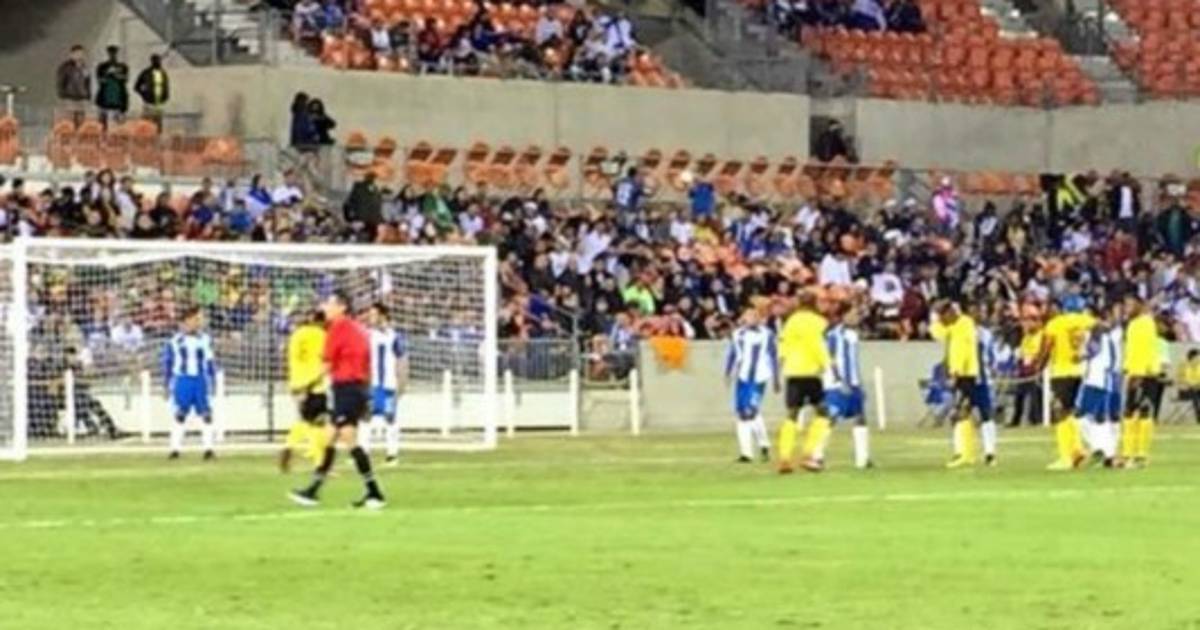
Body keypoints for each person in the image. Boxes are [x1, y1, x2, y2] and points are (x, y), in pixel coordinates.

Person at [289, 291, 386, 509]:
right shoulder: (358, 330)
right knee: (329, 439)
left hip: (347, 389)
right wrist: (367, 394)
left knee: (349, 440)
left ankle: (374, 492)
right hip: (356, 389)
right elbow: (366, 364)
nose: (325, 307)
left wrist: (305, 386)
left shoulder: (338, 329)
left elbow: (326, 365)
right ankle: (312, 491)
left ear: (342, 307)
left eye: (329, 303)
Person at [930, 301, 994, 468]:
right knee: (968, 412)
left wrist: (955, 372)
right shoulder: (957, 325)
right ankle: (975, 453)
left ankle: (967, 454)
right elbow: (938, 333)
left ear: (950, 313)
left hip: (968, 375)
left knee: (967, 412)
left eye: (943, 316)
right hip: (971, 375)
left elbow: (961, 351)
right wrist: (935, 317)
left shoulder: (964, 325)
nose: (942, 320)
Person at [809, 305, 871, 471]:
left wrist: (858, 383)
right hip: (838, 384)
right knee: (831, 417)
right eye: (853, 314)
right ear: (843, 316)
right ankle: (816, 456)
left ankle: (863, 459)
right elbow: (830, 359)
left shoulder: (853, 334)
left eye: (857, 314)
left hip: (853, 383)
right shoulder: (834, 335)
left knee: (860, 417)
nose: (856, 317)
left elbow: (852, 362)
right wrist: (839, 380)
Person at [775, 291, 831, 474]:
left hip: (792, 372)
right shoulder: (819, 322)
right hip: (811, 372)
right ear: (815, 303)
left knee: (792, 413)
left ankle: (784, 458)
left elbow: (782, 347)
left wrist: (779, 369)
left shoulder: (791, 322)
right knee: (823, 412)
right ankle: (808, 454)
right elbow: (819, 345)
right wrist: (828, 365)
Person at [1040, 295, 1096, 470]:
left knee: (1060, 412)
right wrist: (1087, 352)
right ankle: (1077, 450)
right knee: (1069, 411)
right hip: (1079, 371)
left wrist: (1039, 365)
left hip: (1061, 372)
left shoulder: (1056, 324)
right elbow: (1101, 330)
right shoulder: (1085, 321)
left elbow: (1047, 346)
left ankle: (1066, 457)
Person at [162, 307, 217, 460]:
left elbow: (210, 362)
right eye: (195, 319)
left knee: (206, 414)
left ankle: (208, 449)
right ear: (186, 321)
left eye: (199, 320)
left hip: (200, 380)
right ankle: (175, 449)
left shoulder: (205, 339)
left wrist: (213, 381)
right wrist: (166, 385)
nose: (198, 322)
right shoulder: (174, 341)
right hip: (183, 380)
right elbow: (168, 363)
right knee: (180, 414)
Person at [723, 308, 777, 463]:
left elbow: (773, 355)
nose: (750, 319)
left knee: (750, 412)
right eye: (747, 316)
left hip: (759, 378)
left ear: (758, 318)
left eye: (753, 316)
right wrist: (727, 372)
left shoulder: (767, 334)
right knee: (743, 414)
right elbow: (733, 354)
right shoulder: (737, 334)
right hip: (743, 378)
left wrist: (776, 378)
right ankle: (748, 452)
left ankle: (761, 446)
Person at [280, 310, 331, 472]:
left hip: (296, 383)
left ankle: (289, 446)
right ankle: (319, 464)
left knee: (305, 419)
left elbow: (288, 357)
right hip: (313, 384)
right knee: (317, 423)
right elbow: (326, 359)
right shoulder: (321, 335)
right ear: (321, 321)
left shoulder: (296, 335)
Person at [1073, 305, 1121, 467]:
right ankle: (1109, 455)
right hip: (1108, 379)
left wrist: (1080, 355)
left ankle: (1098, 448)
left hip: (1095, 379)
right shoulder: (1110, 333)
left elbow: (1091, 351)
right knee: (1100, 419)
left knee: (1080, 416)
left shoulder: (1096, 331)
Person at [360, 302, 408, 466]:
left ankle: (392, 454)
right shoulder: (367, 335)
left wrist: (402, 383)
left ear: (383, 315)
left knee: (390, 417)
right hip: (372, 384)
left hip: (388, 384)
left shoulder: (394, 336)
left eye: (373, 314)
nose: (370, 317)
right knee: (366, 416)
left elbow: (402, 360)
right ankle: (363, 453)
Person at [1121, 294, 1161, 468]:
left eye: (1130, 305)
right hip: (1140, 372)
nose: (1127, 309)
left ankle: (1136, 454)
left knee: (1135, 412)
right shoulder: (1137, 323)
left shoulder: (1143, 323)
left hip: (1142, 374)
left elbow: (1144, 350)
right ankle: (1135, 454)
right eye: (1126, 305)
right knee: (1136, 412)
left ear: (1139, 305)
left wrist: (1137, 374)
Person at [94, 46, 130, 127]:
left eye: (114, 53)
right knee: (103, 124)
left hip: (119, 99)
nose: (112, 55)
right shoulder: (102, 66)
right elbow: (100, 80)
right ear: (108, 54)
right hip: (104, 99)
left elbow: (125, 79)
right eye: (110, 53)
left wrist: (115, 75)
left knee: (119, 124)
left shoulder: (123, 66)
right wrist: (108, 74)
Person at [56, 45, 91, 125]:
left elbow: (87, 82)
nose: (80, 56)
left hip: (82, 99)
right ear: (72, 54)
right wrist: (62, 95)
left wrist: (88, 95)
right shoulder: (65, 67)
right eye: (77, 53)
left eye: (82, 54)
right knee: (69, 122)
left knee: (81, 122)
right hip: (69, 98)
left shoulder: (85, 68)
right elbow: (60, 82)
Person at [134, 54, 170, 130]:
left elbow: (166, 86)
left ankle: (157, 135)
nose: (158, 62)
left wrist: (166, 96)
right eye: (156, 60)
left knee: (158, 123)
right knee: (146, 122)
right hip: (148, 102)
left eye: (158, 60)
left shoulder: (162, 73)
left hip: (159, 102)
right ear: (152, 61)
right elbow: (136, 87)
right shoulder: (146, 73)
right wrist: (144, 95)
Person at [1176, 348, 1200, 424]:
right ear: (1192, 357)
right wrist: (1189, 383)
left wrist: (1196, 384)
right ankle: (1198, 418)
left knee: (1196, 392)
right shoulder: (1183, 365)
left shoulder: (1198, 367)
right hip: (1184, 391)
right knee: (1194, 394)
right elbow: (1178, 379)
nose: (1198, 360)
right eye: (1197, 358)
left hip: (1196, 390)